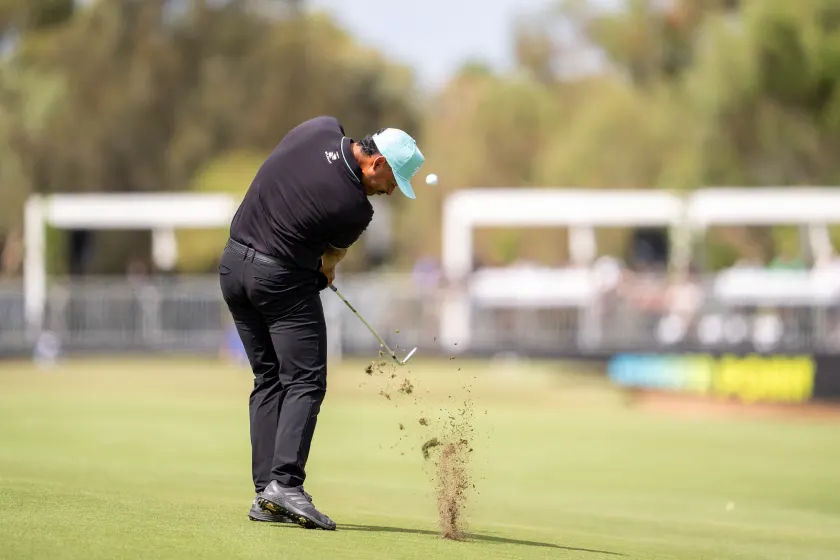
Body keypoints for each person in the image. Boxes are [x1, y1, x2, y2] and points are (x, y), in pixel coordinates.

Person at [218, 116, 425, 530]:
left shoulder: (320, 127)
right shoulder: (354, 208)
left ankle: (266, 494)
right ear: (378, 163)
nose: (388, 192)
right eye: (392, 182)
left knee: (269, 379)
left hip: (232, 266)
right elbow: (329, 261)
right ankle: (285, 485)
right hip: (277, 280)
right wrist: (325, 270)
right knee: (306, 380)